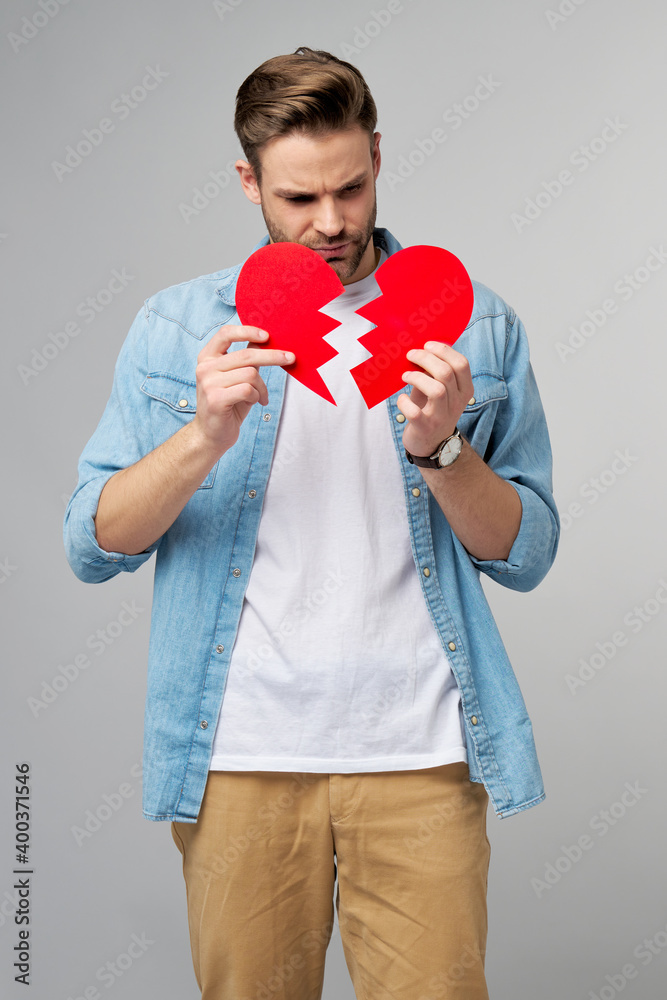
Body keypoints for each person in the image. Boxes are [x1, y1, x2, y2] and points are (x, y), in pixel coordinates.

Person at [64, 46, 559, 1000]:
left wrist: (442, 450)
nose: (330, 222)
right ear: (248, 180)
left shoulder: (473, 325)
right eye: (298, 199)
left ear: (377, 155)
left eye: (351, 187)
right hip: (239, 755)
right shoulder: (177, 332)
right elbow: (93, 543)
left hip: (421, 755)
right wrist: (204, 437)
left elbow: (526, 552)